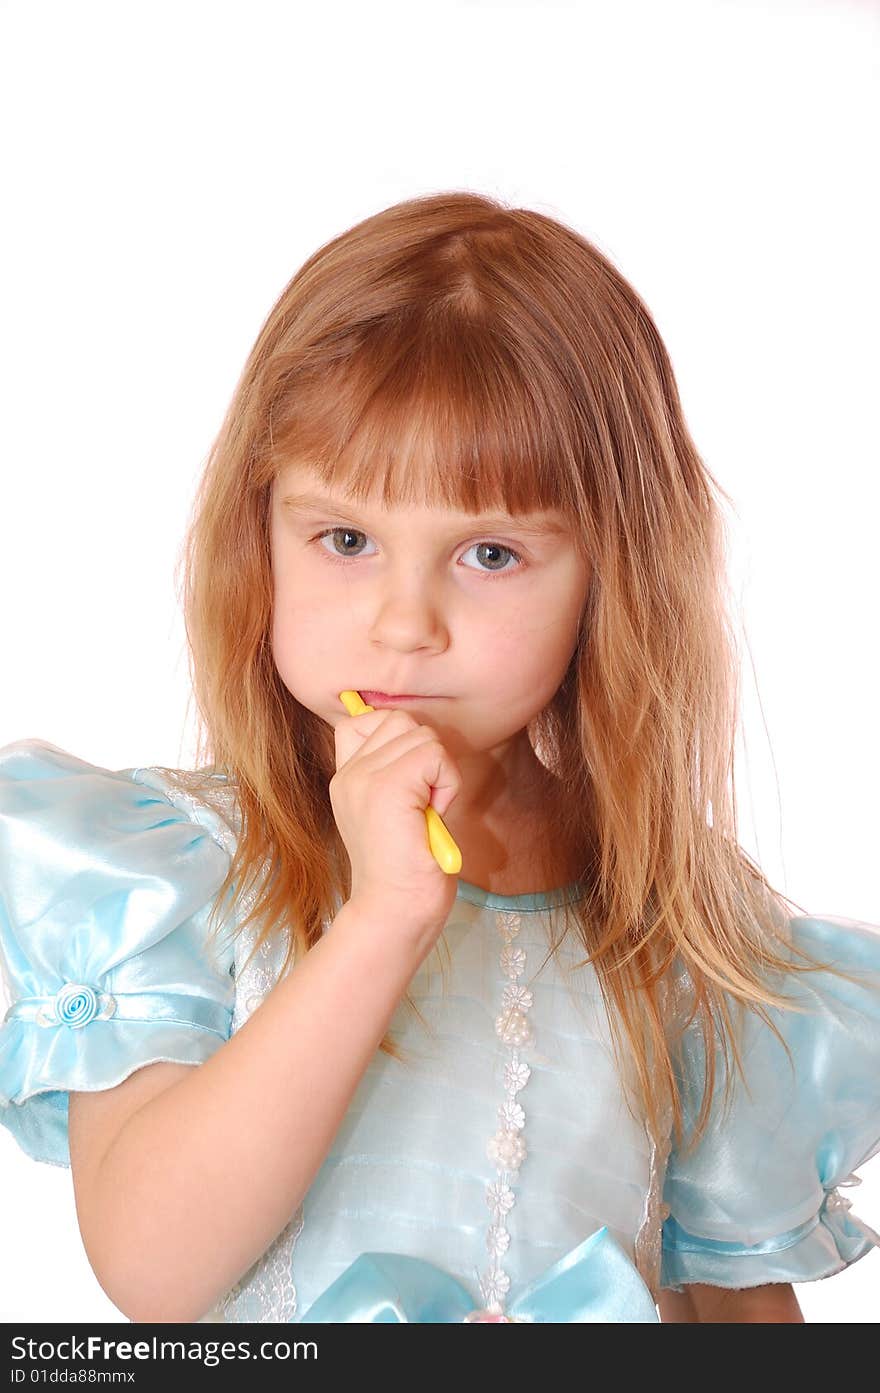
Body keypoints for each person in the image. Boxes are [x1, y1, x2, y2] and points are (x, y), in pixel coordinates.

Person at [1, 191, 879, 1325]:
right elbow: (154, 1274)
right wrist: (380, 919)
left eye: (491, 552)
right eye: (347, 539)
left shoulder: (673, 930)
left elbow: (737, 1314)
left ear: (611, 575)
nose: (405, 621)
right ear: (256, 535)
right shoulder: (171, 874)